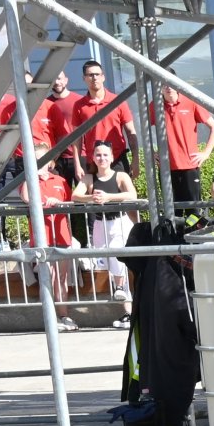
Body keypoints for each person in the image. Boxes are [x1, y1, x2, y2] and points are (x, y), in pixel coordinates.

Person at [74, 140, 136, 330]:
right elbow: (76, 196)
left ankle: (124, 299)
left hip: (119, 222)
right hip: (100, 224)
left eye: (105, 155)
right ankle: (127, 311)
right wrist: (91, 197)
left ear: (111, 157)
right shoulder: (89, 178)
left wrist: (109, 197)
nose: (102, 158)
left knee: (119, 262)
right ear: (93, 157)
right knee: (107, 262)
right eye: (98, 155)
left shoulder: (120, 175)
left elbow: (132, 194)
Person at [66, 60, 137, 181]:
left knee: (123, 198)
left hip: (117, 159)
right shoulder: (79, 105)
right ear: (84, 78)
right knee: (97, 198)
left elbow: (131, 133)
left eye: (97, 74)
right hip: (94, 162)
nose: (94, 78)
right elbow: (76, 139)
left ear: (103, 77)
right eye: (90, 75)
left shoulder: (118, 101)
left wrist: (136, 160)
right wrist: (77, 165)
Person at [30, 164, 78, 331]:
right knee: (47, 277)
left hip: (61, 233)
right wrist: (33, 177)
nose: (40, 164)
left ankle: (64, 315)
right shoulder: (30, 180)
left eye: (43, 161)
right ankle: (51, 317)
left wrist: (59, 203)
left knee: (61, 277)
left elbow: (71, 202)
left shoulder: (60, 180)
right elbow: (25, 198)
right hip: (42, 235)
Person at [160, 84, 214, 207]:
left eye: (170, 83)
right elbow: (141, 130)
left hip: (189, 166)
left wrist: (206, 153)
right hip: (166, 168)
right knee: (172, 214)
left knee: (194, 213)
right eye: (163, 84)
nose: (168, 87)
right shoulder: (155, 105)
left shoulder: (191, 102)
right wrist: (151, 152)